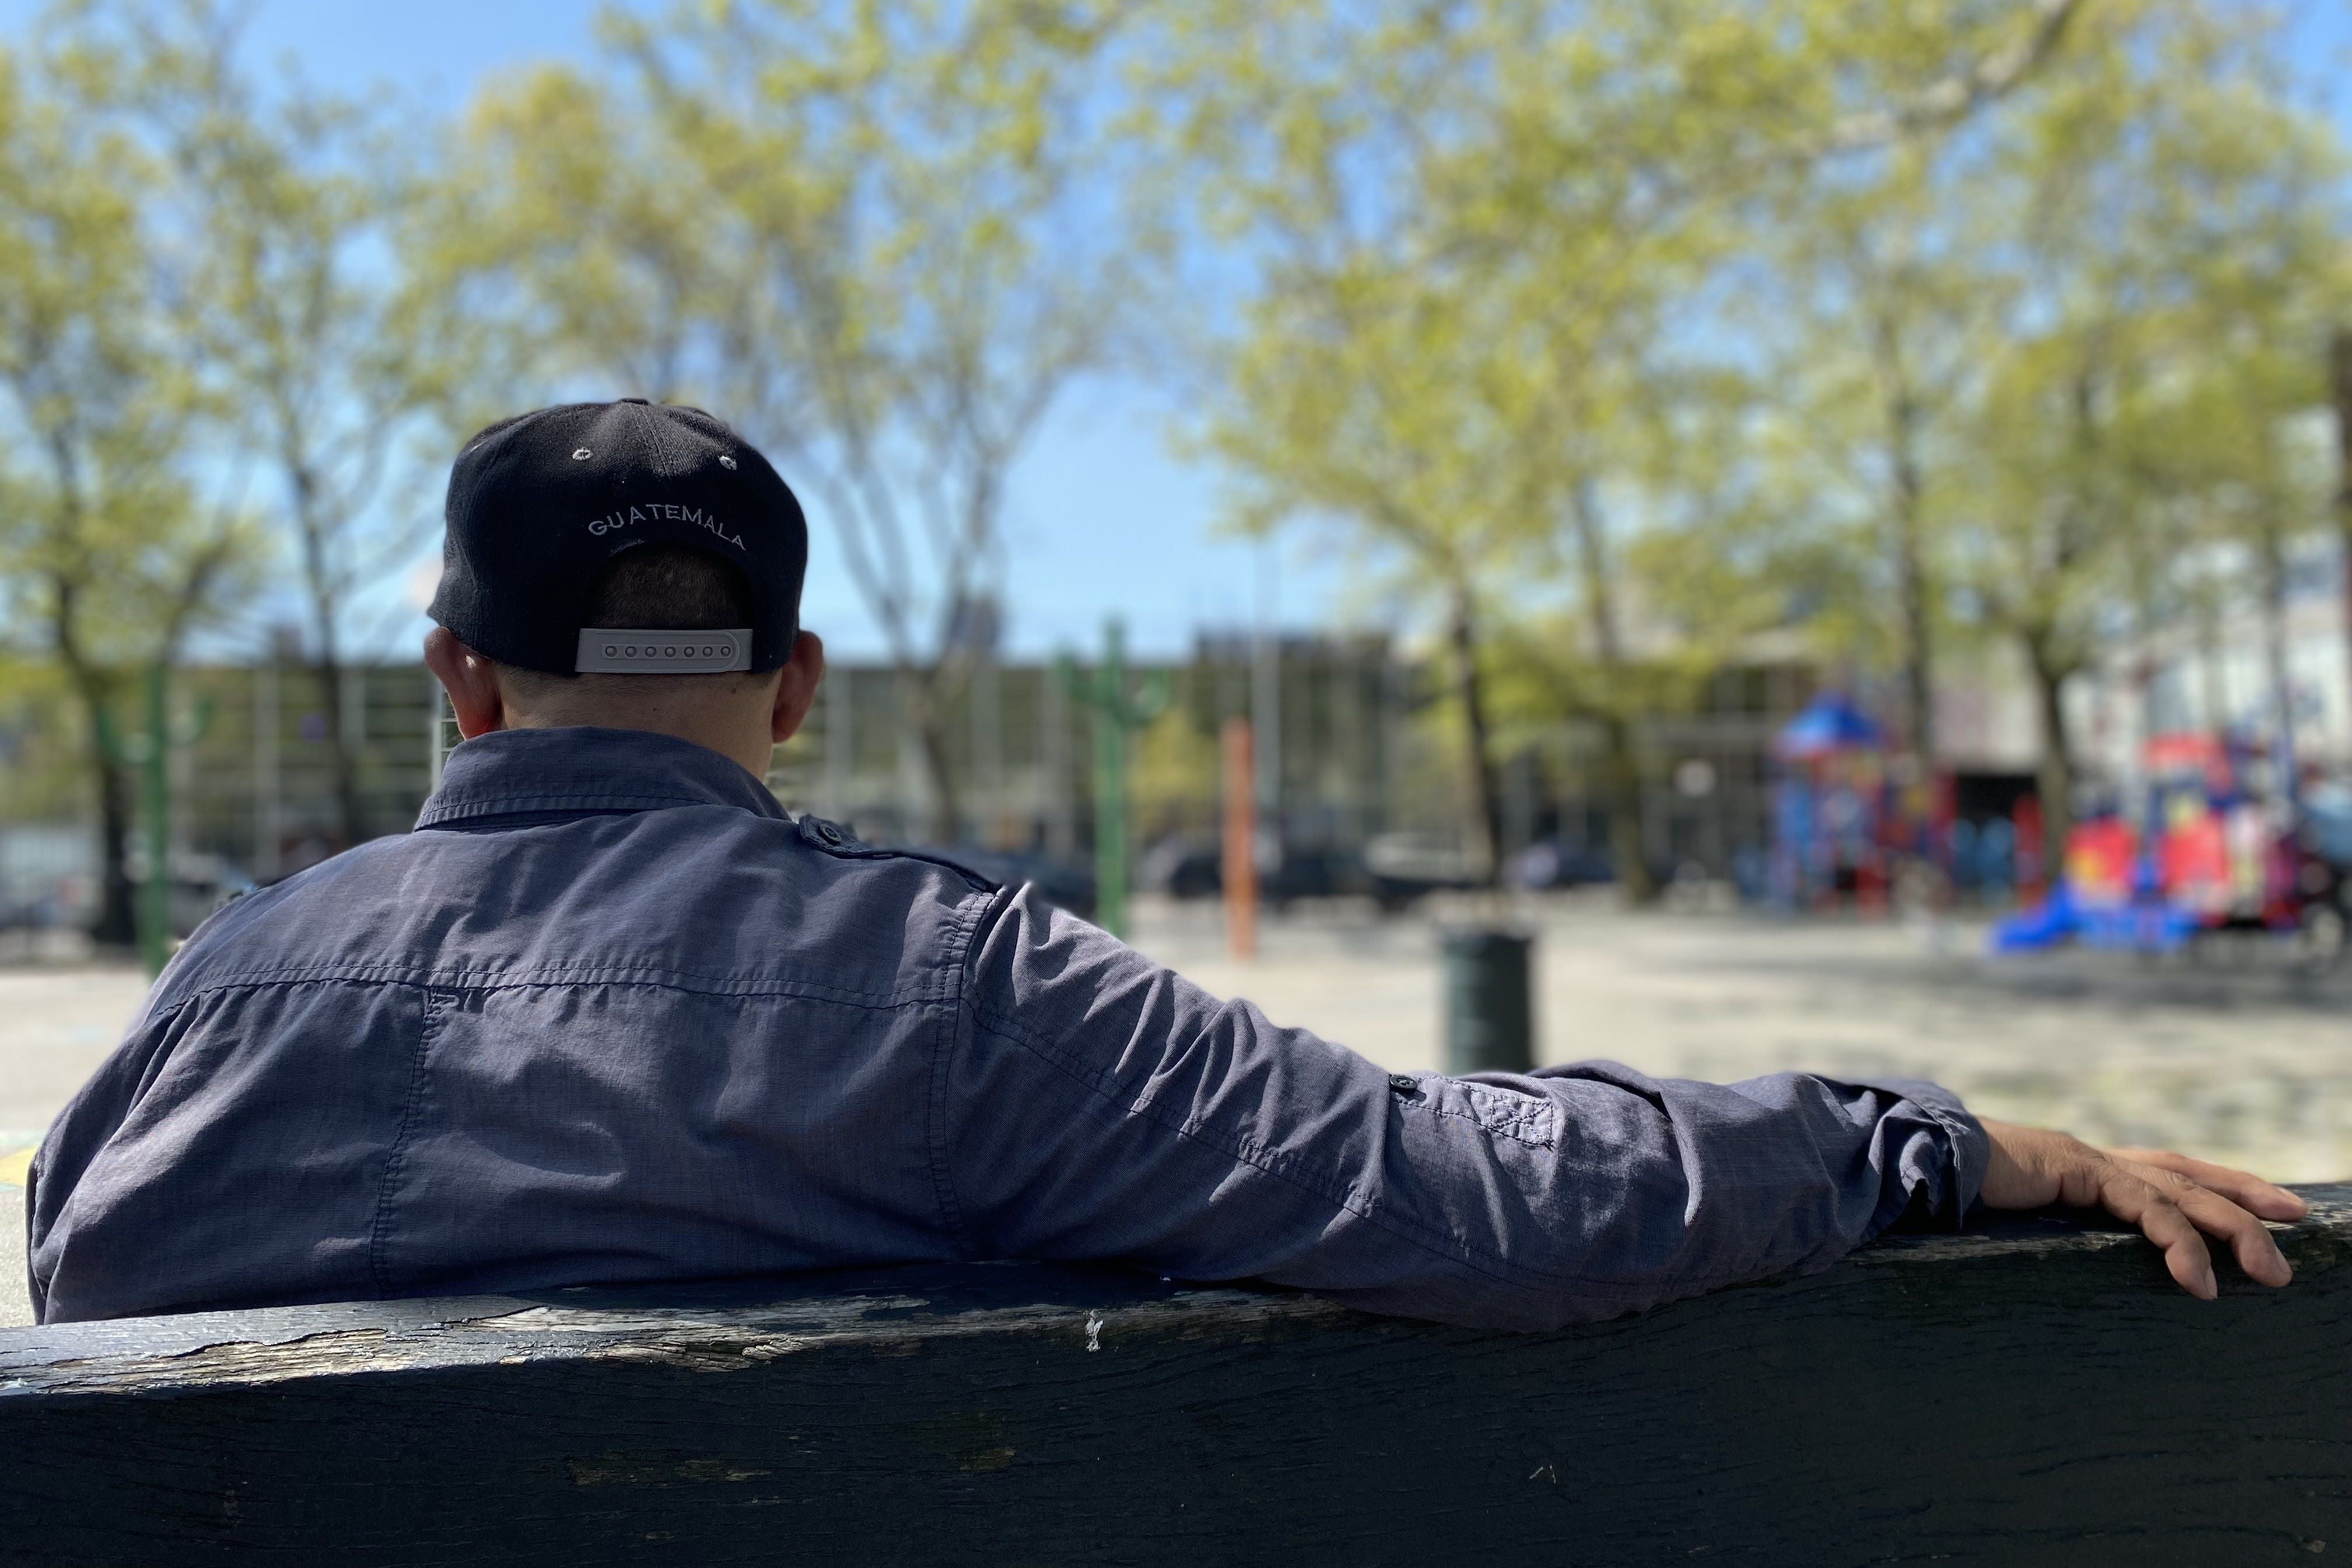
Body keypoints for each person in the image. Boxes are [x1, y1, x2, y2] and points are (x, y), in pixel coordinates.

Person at [24, 400, 2308, 1326]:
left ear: (458, 678)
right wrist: (1939, 1140)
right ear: (796, 687)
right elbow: (1478, 1197)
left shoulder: (210, 1005)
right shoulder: (949, 985)